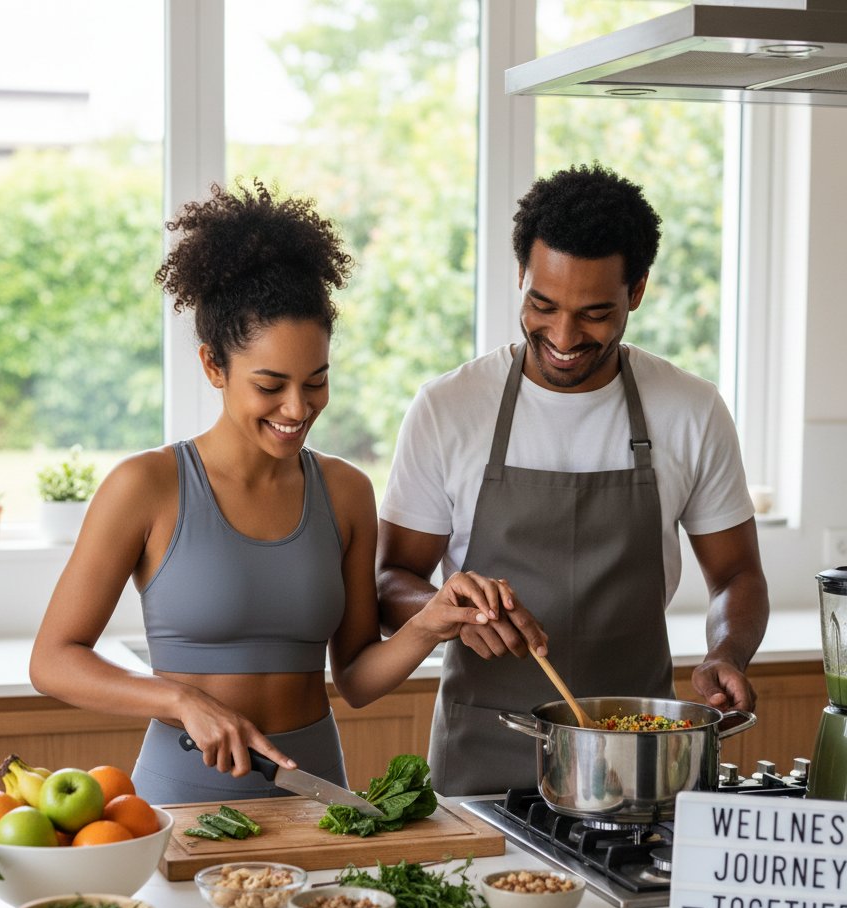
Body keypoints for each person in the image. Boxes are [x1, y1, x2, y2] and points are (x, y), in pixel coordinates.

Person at [29, 179, 520, 805]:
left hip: (315, 793)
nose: (297, 407)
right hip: (182, 796)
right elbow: (53, 659)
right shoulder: (146, 487)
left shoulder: (344, 491)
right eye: (270, 385)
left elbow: (357, 679)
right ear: (213, 366)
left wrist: (428, 625)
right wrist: (180, 699)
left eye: (316, 381)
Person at [376, 162, 769, 796]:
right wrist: (447, 613)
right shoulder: (449, 408)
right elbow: (391, 580)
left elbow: (737, 575)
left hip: (636, 756)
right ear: (521, 279)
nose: (561, 336)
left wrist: (727, 653)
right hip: (484, 753)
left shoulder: (690, 409)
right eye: (542, 304)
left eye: (593, 313)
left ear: (636, 292)